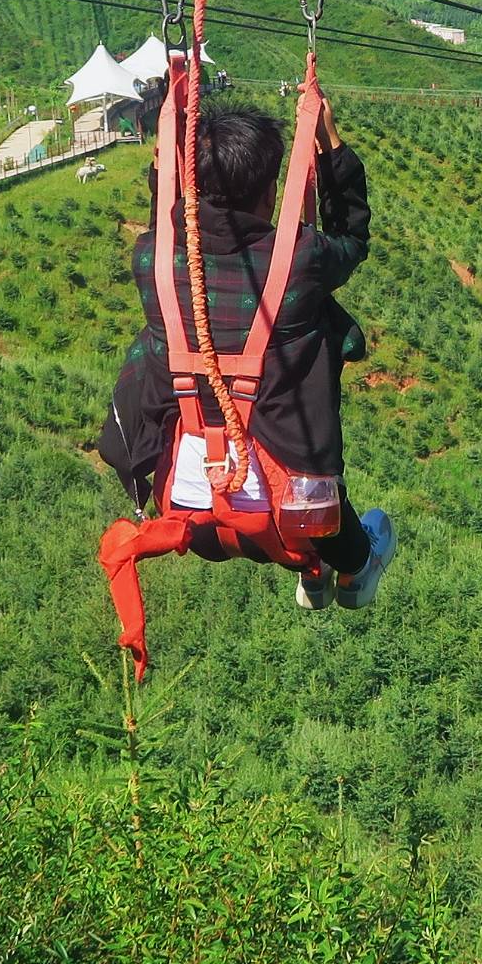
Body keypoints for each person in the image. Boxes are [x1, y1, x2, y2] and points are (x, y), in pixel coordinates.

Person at [98, 102, 396, 609]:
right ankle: (353, 568)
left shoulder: (152, 260)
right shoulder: (301, 260)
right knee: (344, 531)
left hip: (193, 509)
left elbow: (170, 227)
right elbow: (350, 239)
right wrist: (330, 148)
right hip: (298, 509)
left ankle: (323, 567)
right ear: (269, 191)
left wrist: (162, 169)